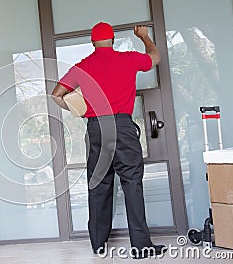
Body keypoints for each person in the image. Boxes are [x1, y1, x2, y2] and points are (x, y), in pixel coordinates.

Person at [52, 22, 167, 259]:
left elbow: (56, 95)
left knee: (99, 185)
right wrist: (144, 36)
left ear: (92, 42)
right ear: (112, 40)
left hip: (96, 128)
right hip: (122, 127)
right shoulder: (128, 59)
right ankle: (141, 247)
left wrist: (80, 110)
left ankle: (98, 245)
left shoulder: (82, 67)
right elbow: (155, 58)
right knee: (132, 184)